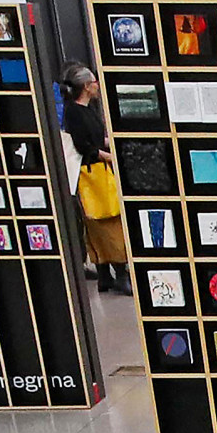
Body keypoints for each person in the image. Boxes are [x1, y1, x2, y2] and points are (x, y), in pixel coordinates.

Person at [62, 67, 131, 294]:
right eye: (94, 82)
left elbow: (96, 139)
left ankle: (105, 276)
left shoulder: (87, 109)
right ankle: (118, 272)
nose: (97, 86)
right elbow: (85, 146)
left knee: (99, 223)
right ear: (86, 86)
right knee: (107, 220)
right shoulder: (74, 112)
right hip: (92, 173)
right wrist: (109, 156)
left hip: (97, 170)